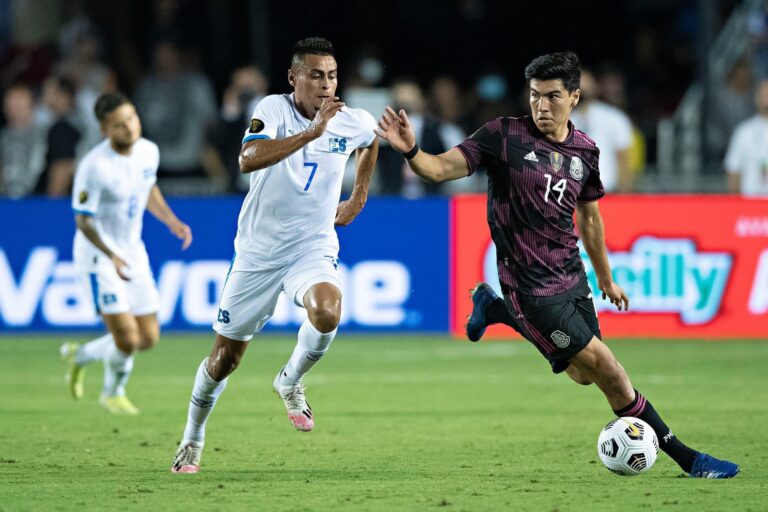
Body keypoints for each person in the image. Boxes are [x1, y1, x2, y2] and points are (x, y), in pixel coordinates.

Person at [376, 51, 739, 479]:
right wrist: (412, 150)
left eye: (551, 97)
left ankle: (494, 310)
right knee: (610, 371)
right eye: (534, 96)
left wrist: (605, 276)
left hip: (571, 276)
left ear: (574, 97)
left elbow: (588, 216)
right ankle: (689, 458)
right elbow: (437, 169)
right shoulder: (503, 137)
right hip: (528, 286)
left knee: (584, 377)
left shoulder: (585, 151)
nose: (541, 107)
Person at [171, 37, 378, 474]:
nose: (326, 85)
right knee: (223, 360)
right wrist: (312, 133)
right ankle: (192, 436)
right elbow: (247, 159)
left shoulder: (349, 119)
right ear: (294, 77)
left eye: (333, 76)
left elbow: (370, 139)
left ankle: (290, 381)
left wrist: (357, 197)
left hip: (312, 246)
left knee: (328, 311)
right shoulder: (273, 109)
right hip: (258, 254)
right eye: (316, 75)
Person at [59, 92, 192, 414]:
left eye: (131, 119)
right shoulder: (94, 166)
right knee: (127, 338)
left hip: (133, 251)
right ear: (105, 130)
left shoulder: (148, 151)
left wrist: (171, 220)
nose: (129, 128)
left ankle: (81, 356)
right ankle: (112, 392)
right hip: (98, 256)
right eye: (119, 125)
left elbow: (147, 189)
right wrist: (111, 254)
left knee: (147, 337)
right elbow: (83, 220)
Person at [569, 69, 633, 192]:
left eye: (586, 86)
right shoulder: (561, 120)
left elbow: (624, 161)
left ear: (595, 88)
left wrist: (625, 194)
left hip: (607, 191)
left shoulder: (615, 118)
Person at [35, 75, 83, 197]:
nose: (43, 97)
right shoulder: (69, 124)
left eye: (48, 92)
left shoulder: (63, 129)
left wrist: (51, 206)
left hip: (58, 203)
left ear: (64, 96)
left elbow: (62, 168)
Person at [0, 84, 47, 198]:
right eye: (12, 102)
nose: (16, 107)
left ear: (33, 105)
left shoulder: (48, 135)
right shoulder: (2, 137)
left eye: (20, 102)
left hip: (39, 202)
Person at [725, 78, 768, 197]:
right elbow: (734, 171)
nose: (766, 97)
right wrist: (735, 207)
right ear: (756, 97)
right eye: (763, 93)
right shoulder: (743, 132)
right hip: (749, 207)